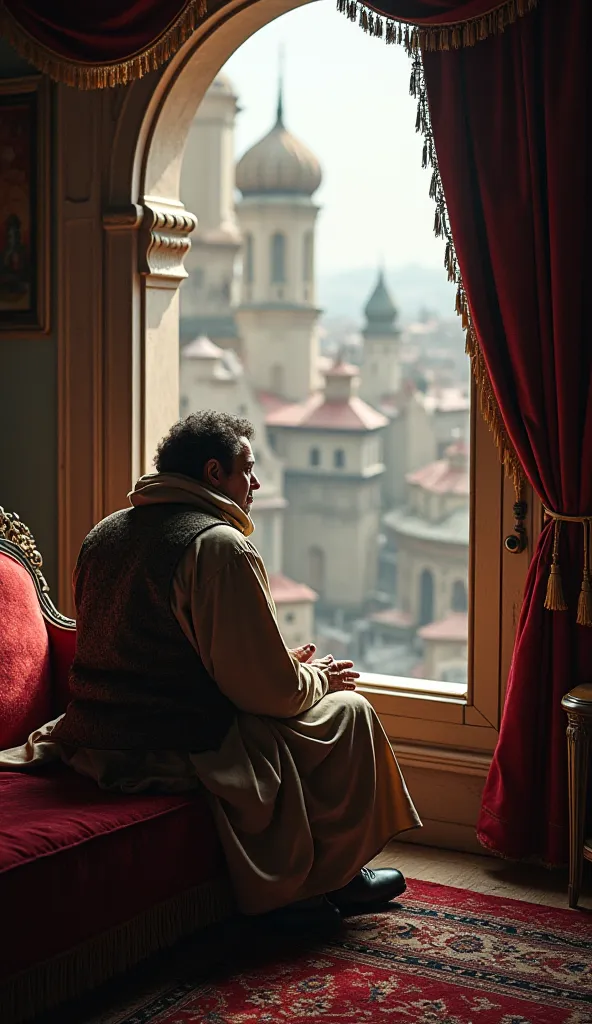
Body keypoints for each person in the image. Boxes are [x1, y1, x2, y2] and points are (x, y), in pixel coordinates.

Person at [0, 412, 421, 927]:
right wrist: (318, 680)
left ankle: (330, 875)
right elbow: (269, 696)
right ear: (215, 473)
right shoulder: (219, 547)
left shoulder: (104, 533)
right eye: (248, 468)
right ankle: (328, 878)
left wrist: (276, 664)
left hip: (93, 738)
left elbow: (149, 644)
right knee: (348, 711)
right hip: (174, 745)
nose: (257, 483)